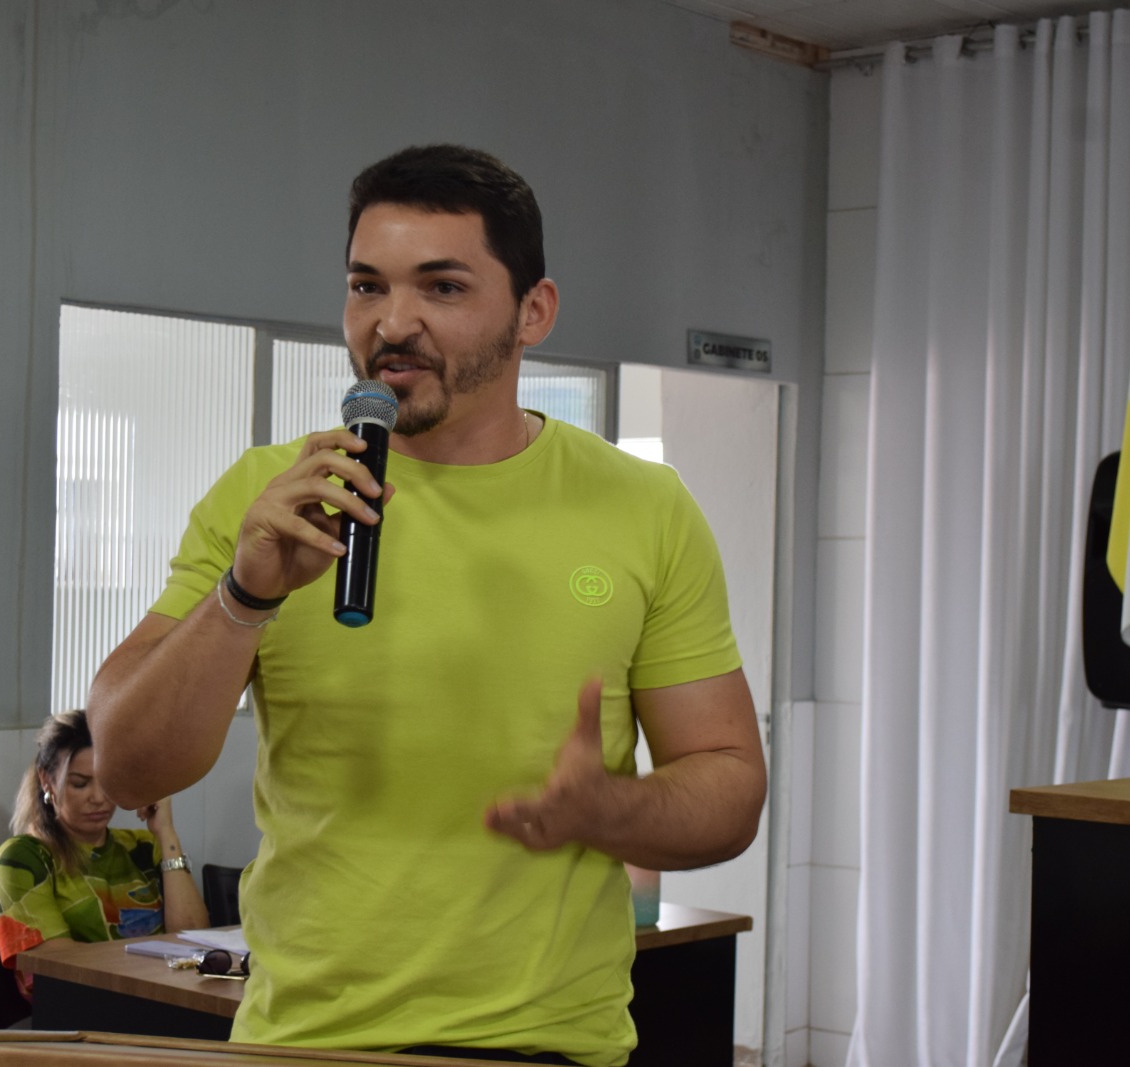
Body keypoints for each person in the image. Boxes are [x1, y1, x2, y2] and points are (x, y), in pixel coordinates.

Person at [85, 144, 767, 1066]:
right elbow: (128, 766)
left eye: (442, 287)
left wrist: (609, 810)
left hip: (547, 1045)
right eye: (367, 286)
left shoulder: (644, 508)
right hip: (305, 1047)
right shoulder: (269, 496)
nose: (392, 322)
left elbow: (730, 784)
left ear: (534, 311)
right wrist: (245, 595)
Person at [0, 709, 210, 998]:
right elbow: (54, 965)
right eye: (80, 783)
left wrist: (166, 832)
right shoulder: (23, 859)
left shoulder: (143, 848)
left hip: (161, 998)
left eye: (107, 782)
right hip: (79, 1008)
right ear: (47, 781)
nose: (98, 798)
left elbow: (194, 940)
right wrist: (156, 967)